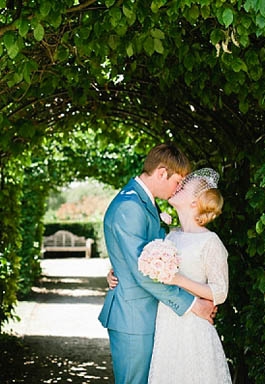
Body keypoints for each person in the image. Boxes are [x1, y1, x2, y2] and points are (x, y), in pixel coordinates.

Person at [98, 144, 216, 384]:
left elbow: (140, 259)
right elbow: (143, 273)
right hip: (134, 317)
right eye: (178, 181)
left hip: (146, 314)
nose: (179, 188)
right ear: (162, 173)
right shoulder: (130, 206)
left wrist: (119, 269)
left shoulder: (142, 202)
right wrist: (194, 305)